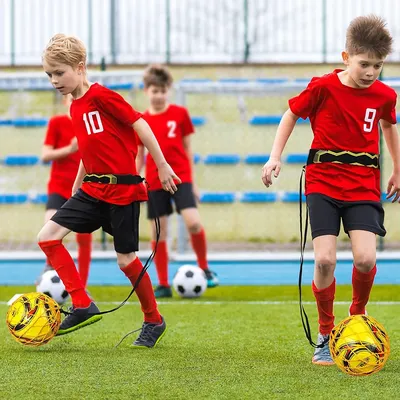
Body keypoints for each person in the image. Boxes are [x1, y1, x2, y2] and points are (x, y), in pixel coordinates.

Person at [261, 15, 400, 365]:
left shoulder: (385, 95)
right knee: (324, 259)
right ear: (346, 57)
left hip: (363, 184)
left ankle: (357, 315)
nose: (370, 72)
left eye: (378, 66)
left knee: (366, 259)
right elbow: (290, 114)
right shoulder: (322, 87)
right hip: (323, 181)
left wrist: (397, 168)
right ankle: (326, 334)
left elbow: (388, 127)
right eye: (364, 64)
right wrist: (274, 157)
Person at [38, 34, 181, 348]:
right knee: (47, 237)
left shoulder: (102, 96)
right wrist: (77, 186)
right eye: (49, 74)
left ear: (80, 67)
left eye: (59, 73)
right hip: (92, 189)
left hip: (122, 191)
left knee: (126, 260)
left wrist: (162, 164)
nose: (54, 80)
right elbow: (89, 151)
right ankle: (82, 303)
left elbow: (140, 124)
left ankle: (153, 319)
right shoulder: (74, 107)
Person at [136, 64, 219, 298]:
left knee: (193, 222)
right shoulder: (140, 120)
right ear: (146, 91)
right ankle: (163, 283)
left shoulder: (180, 114)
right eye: (155, 91)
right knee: (159, 232)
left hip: (181, 177)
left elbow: (187, 148)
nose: (159, 95)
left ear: (168, 91)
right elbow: (139, 156)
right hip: (154, 181)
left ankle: (204, 268)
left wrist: (193, 183)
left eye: (163, 91)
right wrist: (135, 181)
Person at [38, 94, 92, 288]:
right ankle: (48, 272)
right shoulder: (57, 122)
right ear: (65, 101)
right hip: (59, 188)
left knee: (84, 238)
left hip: (84, 190)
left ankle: (82, 287)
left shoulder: (90, 124)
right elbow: (45, 155)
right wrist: (69, 149)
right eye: (71, 99)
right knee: (49, 231)